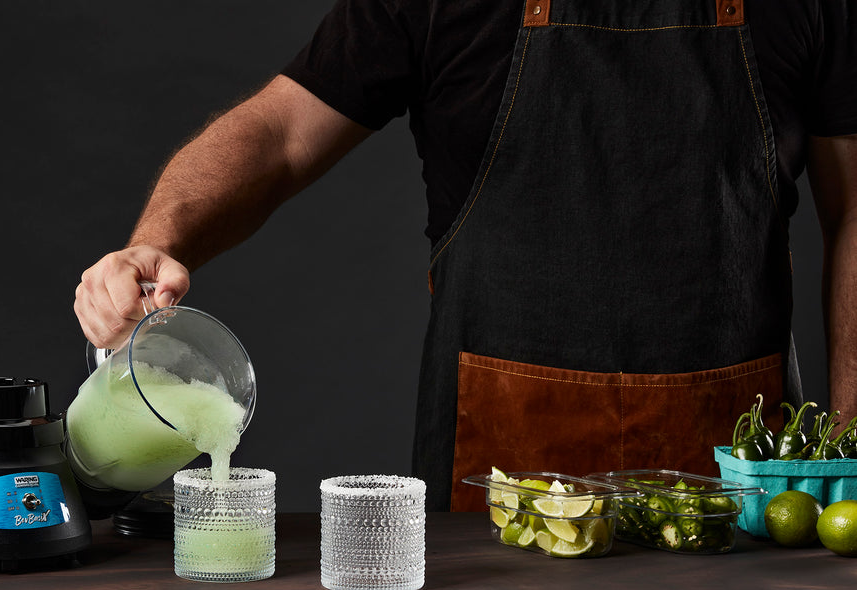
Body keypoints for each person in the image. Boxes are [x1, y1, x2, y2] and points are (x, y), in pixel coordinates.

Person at [74, 0, 857, 511]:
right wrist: (158, 240)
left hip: (741, 490)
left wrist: (851, 451)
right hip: (495, 499)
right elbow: (280, 133)